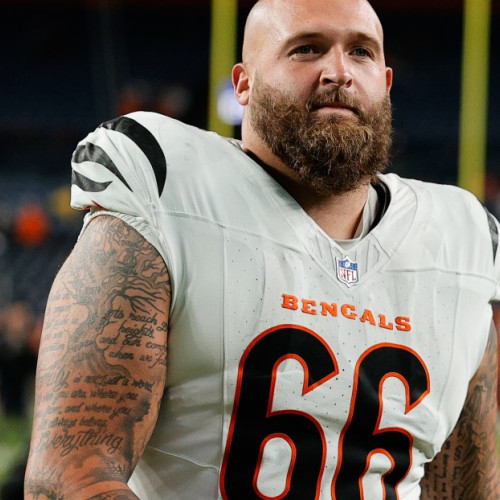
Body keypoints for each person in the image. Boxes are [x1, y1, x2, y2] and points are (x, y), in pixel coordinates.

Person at [24, 0, 500, 498]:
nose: (338, 71)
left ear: (385, 83)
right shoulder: (170, 192)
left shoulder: (458, 241)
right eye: (307, 49)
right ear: (243, 84)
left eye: (361, 52)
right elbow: (68, 479)